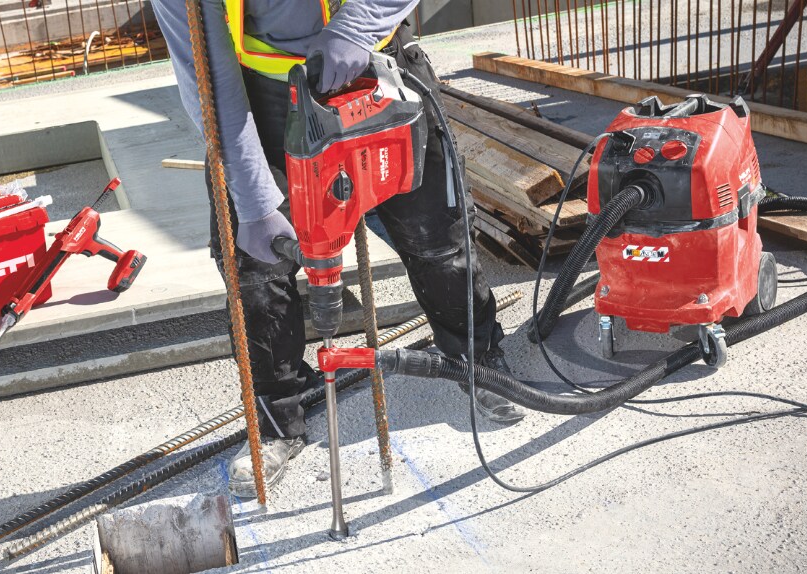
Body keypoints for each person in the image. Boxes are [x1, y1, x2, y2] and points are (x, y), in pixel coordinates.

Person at [151, 0, 526, 498]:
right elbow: (209, 80)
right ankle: (277, 418)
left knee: (437, 234)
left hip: (377, 67)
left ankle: (476, 358)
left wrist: (357, 25)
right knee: (255, 268)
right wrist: (255, 202)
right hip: (267, 97)